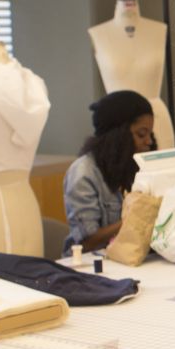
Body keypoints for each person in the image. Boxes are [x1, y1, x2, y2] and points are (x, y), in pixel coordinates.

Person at [62, 90, 155, 254]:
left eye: (150, 134)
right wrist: (138, 217)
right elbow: (87, 241)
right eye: (141, 134)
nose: (149, 141)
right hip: (90, 265)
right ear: (117, 135)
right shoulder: (83, 173)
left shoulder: (135, 166)